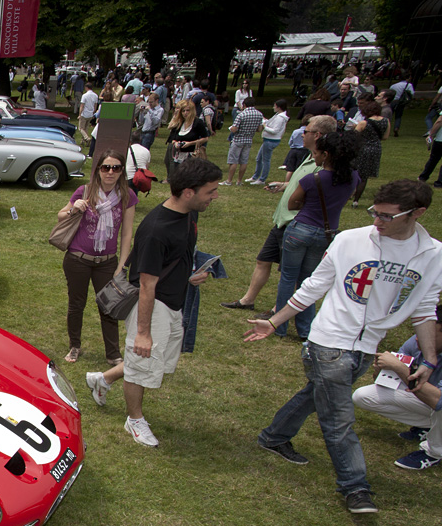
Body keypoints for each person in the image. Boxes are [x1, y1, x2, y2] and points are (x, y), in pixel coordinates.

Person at [246, 180, 442, 514]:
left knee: (316, 393)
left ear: (418, 213)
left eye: (387, 216)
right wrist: (275, 321)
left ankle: (273, 436)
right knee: (338, 418)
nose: (377, 222)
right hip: (328, 341)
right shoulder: (350, 239)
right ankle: (355, 487)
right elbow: (314, 286)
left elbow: (424, 311)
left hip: (366, 348)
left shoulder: (433, 255)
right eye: (374, 213)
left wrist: (430, 361)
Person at [102, 157, 222, 447]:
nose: (215, 196)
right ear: (189, 192)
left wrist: (188, 275)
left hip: (173, 302)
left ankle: (102, 379)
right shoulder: (157, 230)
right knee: (142, 362)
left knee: (154, 360)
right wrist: (143, 332)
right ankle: (134, 420)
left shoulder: (189, 215)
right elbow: (146, 284)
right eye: (210, 191)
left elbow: (175, 259)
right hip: (153, 305)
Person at [220, 115, 337, 315]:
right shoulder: (309, 156)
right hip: (282, 221)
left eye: (306, 131)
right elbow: (302, 185)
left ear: (317, 135)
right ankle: (248, 300)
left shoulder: (322, 163)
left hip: (297, 224)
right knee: (263, 260)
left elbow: (315, 194)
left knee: (289, 272)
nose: (302, 134)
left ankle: (279, 310)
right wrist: (285, 186)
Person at [272, 131, 359, 339]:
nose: (315, 157)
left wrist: (308, 204)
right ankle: (305, 328)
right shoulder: (353, 178)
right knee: (308, 281)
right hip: (326, 233)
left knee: (288, 278)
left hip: (300, 229)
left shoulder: (312, 179)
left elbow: (293, 203)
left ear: (326, 155)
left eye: (316, 153)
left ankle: (279, 326)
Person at [57, 150, 137, 364]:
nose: (110, 172)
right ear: (98, 170)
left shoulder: (127, 196)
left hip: (107, 262)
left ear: (121, 171)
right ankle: (75, 346)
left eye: (116, 168)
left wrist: (122, 264)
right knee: (76, 305)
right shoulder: (85, 191)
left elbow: (127, 233)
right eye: (106, 167)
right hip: (78, 259)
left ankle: (113, 354)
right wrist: (74, 208)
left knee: (109, 306)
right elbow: (61, 215)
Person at [353, 307, 442, 470]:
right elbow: (385, 381)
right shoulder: (417, 341)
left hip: (437, 403)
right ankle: (428, 427)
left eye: (430, 332)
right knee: (362, 396)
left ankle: (434, 453)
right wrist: (382, 368)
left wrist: (400, 368)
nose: (418, 338)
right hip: (431, 402)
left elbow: (439, 401)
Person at [350, 96, 390, 207]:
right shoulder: (386, 121)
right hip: (376, 148)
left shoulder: (364, 123)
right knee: (364, 176)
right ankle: (356, 200)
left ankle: (350, 193)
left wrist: (355, 127)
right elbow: (385, 137)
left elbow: (355, 135)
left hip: (363, 147)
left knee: (355, 170)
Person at [223, 97, 263, 186]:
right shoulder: (259, 114)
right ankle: (239, 181)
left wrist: (231, 128)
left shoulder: (241, 114)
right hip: (249, 140)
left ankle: (229, 180)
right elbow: (259, 129)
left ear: (244, 105)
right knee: (244, 161)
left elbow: (234, 129)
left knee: (233, 161)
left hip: (238, 139)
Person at [248, 99, 289, 186]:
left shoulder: (280, 118)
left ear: (279, 107)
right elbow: (270, 123)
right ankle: (255, 176)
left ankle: (262, 179)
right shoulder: (277, 115)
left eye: (275, 106)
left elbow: (275, 130)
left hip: (271, 140)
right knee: (259, 158)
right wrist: (265, 121)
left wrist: (264, 126)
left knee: (265, 160)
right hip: (268, 140)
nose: (273, 107)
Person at [165, 100, 208, 179]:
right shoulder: (180, 123)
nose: (185, 113)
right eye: (183, 111)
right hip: (179, 155)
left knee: (189, 177)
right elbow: (173, 138)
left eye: (187, 110)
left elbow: (205, 138)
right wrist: (176, 143)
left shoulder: (198, 122)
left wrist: (190, 143)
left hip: (192, 155)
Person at [418, 108, 442, 186]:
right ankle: (440, 182)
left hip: (440, 140)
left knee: (433, 159)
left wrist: (431, 134)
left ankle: (423, 177)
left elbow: (439, 121)